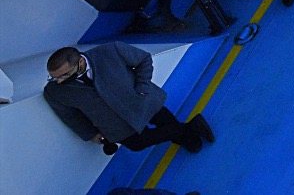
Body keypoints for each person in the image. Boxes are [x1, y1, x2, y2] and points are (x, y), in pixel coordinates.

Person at [44, 43, 213, 155]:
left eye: (64, 75)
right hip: (115, 125)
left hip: (141, 101)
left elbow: (143, 59)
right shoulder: (54, 92)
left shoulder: (110, 50)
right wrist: (91, 134)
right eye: (54, 77)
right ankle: (191, 127)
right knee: (137, 144)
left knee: (166, 121)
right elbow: (70, 116)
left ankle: (187, 137)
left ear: (80, 62)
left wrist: (142, 88)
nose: (59, 81)